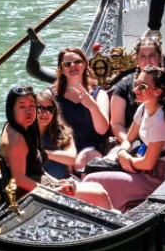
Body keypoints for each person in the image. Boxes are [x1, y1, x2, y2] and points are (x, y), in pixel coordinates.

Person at [0, 86, 113, 208]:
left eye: (32, 106)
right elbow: (19, 179)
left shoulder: (15, 126)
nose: (29, 111)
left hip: (42, 185)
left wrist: (56, 182)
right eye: (22, 106)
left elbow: (37, 171)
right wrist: (53, 192)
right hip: (33, 195)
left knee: (97, 187)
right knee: (100, 194)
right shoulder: (16, 138)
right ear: (11, 109)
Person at [83, 66, 165, 210]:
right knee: (92, 170)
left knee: (91, 180)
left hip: (155, 177)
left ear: (157, 92)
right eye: (136, 84)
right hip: (139, 165)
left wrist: (128, 162)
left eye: (143, 87)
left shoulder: (161, 121)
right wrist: (122, 153)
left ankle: (108, 215)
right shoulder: (144, 108)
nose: (136, 90)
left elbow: (148, 164)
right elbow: (129, 138)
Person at [23, 39, 111, 172]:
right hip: (58, 146)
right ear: (62, 69)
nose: (73, 66)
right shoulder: (50, 94)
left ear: (85, 64)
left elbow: (102, 130)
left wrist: (92, 106)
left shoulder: (99, 94)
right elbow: (32, 120)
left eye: (77, 62)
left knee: (90, 160)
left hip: (87, 149)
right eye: (67, 64)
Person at [108, 36, 165, 146]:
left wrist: (148, 150)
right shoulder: (123, 87)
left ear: (160, 57)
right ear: (137, 59)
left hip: (162, 148)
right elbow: (117, 123)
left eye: (152, 55)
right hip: (130, 142)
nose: (148, 61)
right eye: (143, 56)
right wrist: (128, 144)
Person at [36, 89, 77, 179]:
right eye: (40, 108)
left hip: (63, 181)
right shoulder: (24, 133)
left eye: (50, 109)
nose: (45, 113)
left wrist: (42, 153)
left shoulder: (63, 132)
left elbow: (71, 159)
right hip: (39, 184)